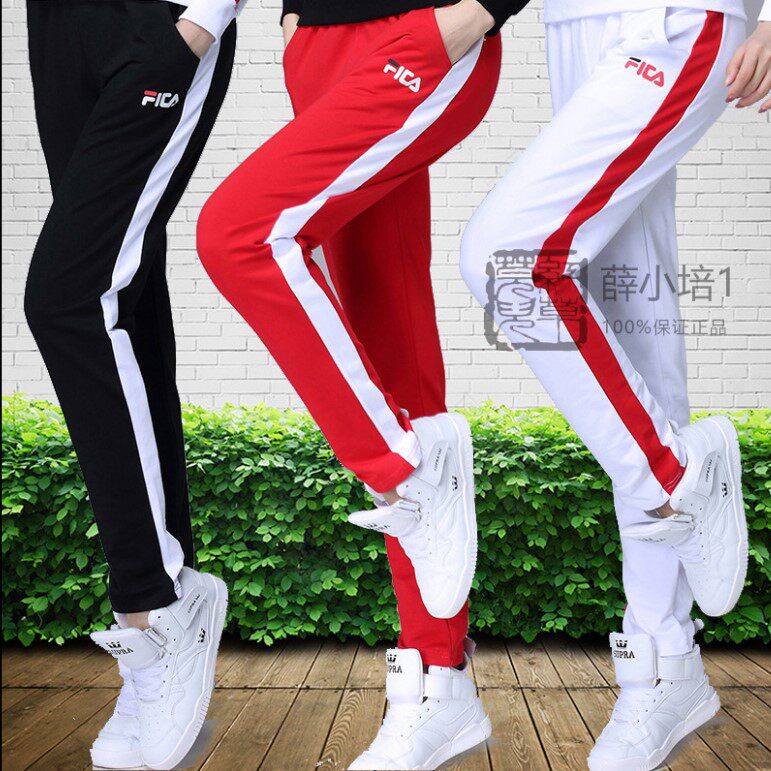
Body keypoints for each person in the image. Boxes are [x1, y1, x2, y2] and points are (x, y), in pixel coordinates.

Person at [196, 1, 527, 768]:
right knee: (390, 343)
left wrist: (481, 10)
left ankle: (400, 468)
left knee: (241, 234)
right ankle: (440, 680)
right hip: (316, 45)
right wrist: (294, 18)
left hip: (421, 28)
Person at [459, 0, 769, 768]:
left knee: (508, 260)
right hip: (571, 23)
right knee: (632, 325)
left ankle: (675, 477)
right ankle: (664, 662)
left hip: (670, 16)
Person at [24, 1, 246, 768]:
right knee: (122, 291)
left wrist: (205, 18)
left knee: (69, 298)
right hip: (57, 28)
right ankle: (172, 590)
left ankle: (152, 605)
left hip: (164, 21)